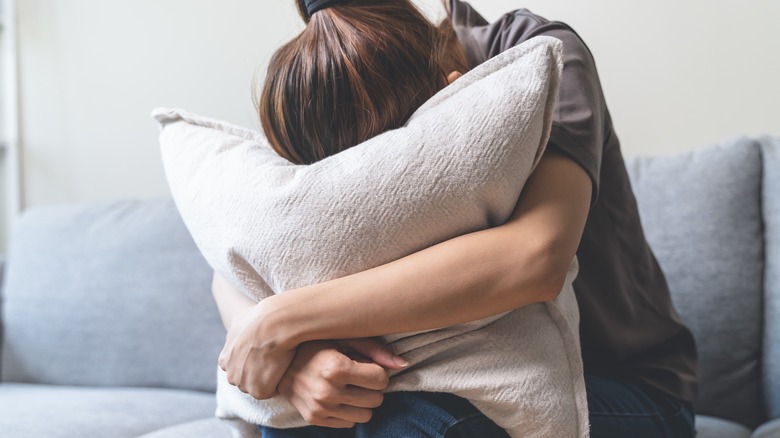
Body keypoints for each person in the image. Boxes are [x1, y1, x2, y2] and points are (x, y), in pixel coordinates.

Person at [212, 0, 698, 436]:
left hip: (625, 385)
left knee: (418, 418)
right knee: (304, 414)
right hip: (417, 374)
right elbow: (239, 258)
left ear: (449, 99)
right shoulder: (321, 86)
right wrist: (293, 360)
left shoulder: (536, 52)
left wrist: (283, 318)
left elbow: (537, 256)